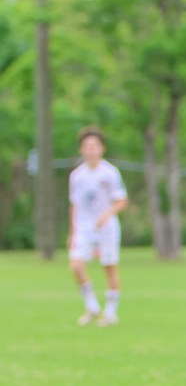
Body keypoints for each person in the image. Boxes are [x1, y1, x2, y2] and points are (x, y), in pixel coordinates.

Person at [67, 126, 128, 327]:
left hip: (106, 227)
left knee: (108, 267)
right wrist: (72, 231)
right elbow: (74, 205)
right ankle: (92, 306)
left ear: (101, 148)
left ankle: (110, 313)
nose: (90, 150)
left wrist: (106, 215)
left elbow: (121, 201)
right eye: (86, 146)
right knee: (76, 266)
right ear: (81, 150)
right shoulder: (76, 176)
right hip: (84, 227)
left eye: (94, 146)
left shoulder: (110, 173)